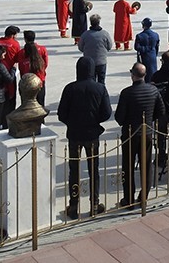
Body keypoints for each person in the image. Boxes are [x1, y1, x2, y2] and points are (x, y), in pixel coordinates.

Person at [59, 56, 111, 218]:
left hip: (74, 134)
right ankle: (94, 204)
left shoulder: (70, 89)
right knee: (93, 169)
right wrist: (94, 121)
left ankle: (74, 205)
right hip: (92, 134)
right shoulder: (100, 88)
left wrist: (72, 122)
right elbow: (107, 113)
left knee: (74, 170)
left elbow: (61, 114)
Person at [115, 63, 165, 208]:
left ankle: (129, 199)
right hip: (146, 133)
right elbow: (161, 111)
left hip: (130, 134)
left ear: (133, 75)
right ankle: (144, 197)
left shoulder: (127, 93)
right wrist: (148, 120)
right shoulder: (153, 90)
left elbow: (119, 118)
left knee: (128, 167)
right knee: (146, 166)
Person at [14, 30, 49, 108]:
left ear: (25, 39)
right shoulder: (42, 49)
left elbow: (21, 67)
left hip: (26, 83)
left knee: (26, 105)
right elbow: (45, 64)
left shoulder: (21, 52)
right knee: (40, 104)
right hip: (40, 81)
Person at [79, 14, 113, 84]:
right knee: (101, 81)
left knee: (91, 82)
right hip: (101, 61)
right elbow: (109, 46)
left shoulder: (85, 34)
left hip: (89, 62)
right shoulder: (105, 34)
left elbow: (80, 47)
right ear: (99, 22)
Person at [134, 18, 160, 83]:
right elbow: (157, 47)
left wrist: (145, 49)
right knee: (153, 72)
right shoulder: (155, 35)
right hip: (153, 56)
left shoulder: (139, 36)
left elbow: (136, 47)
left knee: (144, 73)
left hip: (144, 56)